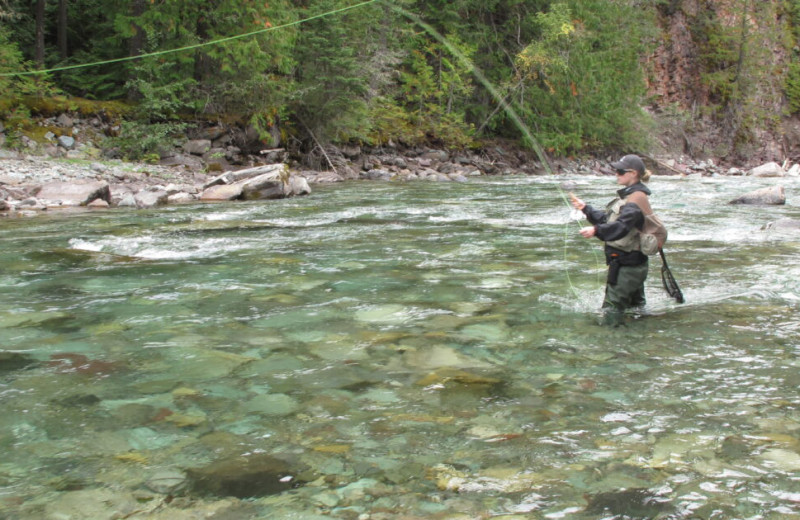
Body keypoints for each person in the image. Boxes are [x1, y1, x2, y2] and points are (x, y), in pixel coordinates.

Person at [569, 154, 654, 326]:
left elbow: (621, 227)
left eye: (620, 171)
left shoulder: (635, 200)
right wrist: (586, 209)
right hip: (632, 265)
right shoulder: (631, 196)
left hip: (627, 268)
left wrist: (596, 230)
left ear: (633, 173)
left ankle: (610, 340)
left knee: (611, 313)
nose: (616, 174)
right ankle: (640, 337)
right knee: (637, 311)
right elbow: (608, 221)